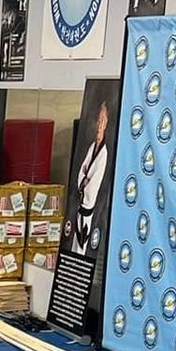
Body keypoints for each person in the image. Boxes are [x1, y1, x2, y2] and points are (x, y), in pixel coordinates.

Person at [67, 102, 111, 260]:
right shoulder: (93, 147)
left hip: (88, 205)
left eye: (102, 121)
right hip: (81, 204)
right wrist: (84, 181)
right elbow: (82, 172)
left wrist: (85, 182)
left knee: (81, 243)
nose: (99, 125)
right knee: (74, 243)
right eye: (98, 121)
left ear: (106, 124)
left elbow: (93, 183)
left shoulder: (103, 153)